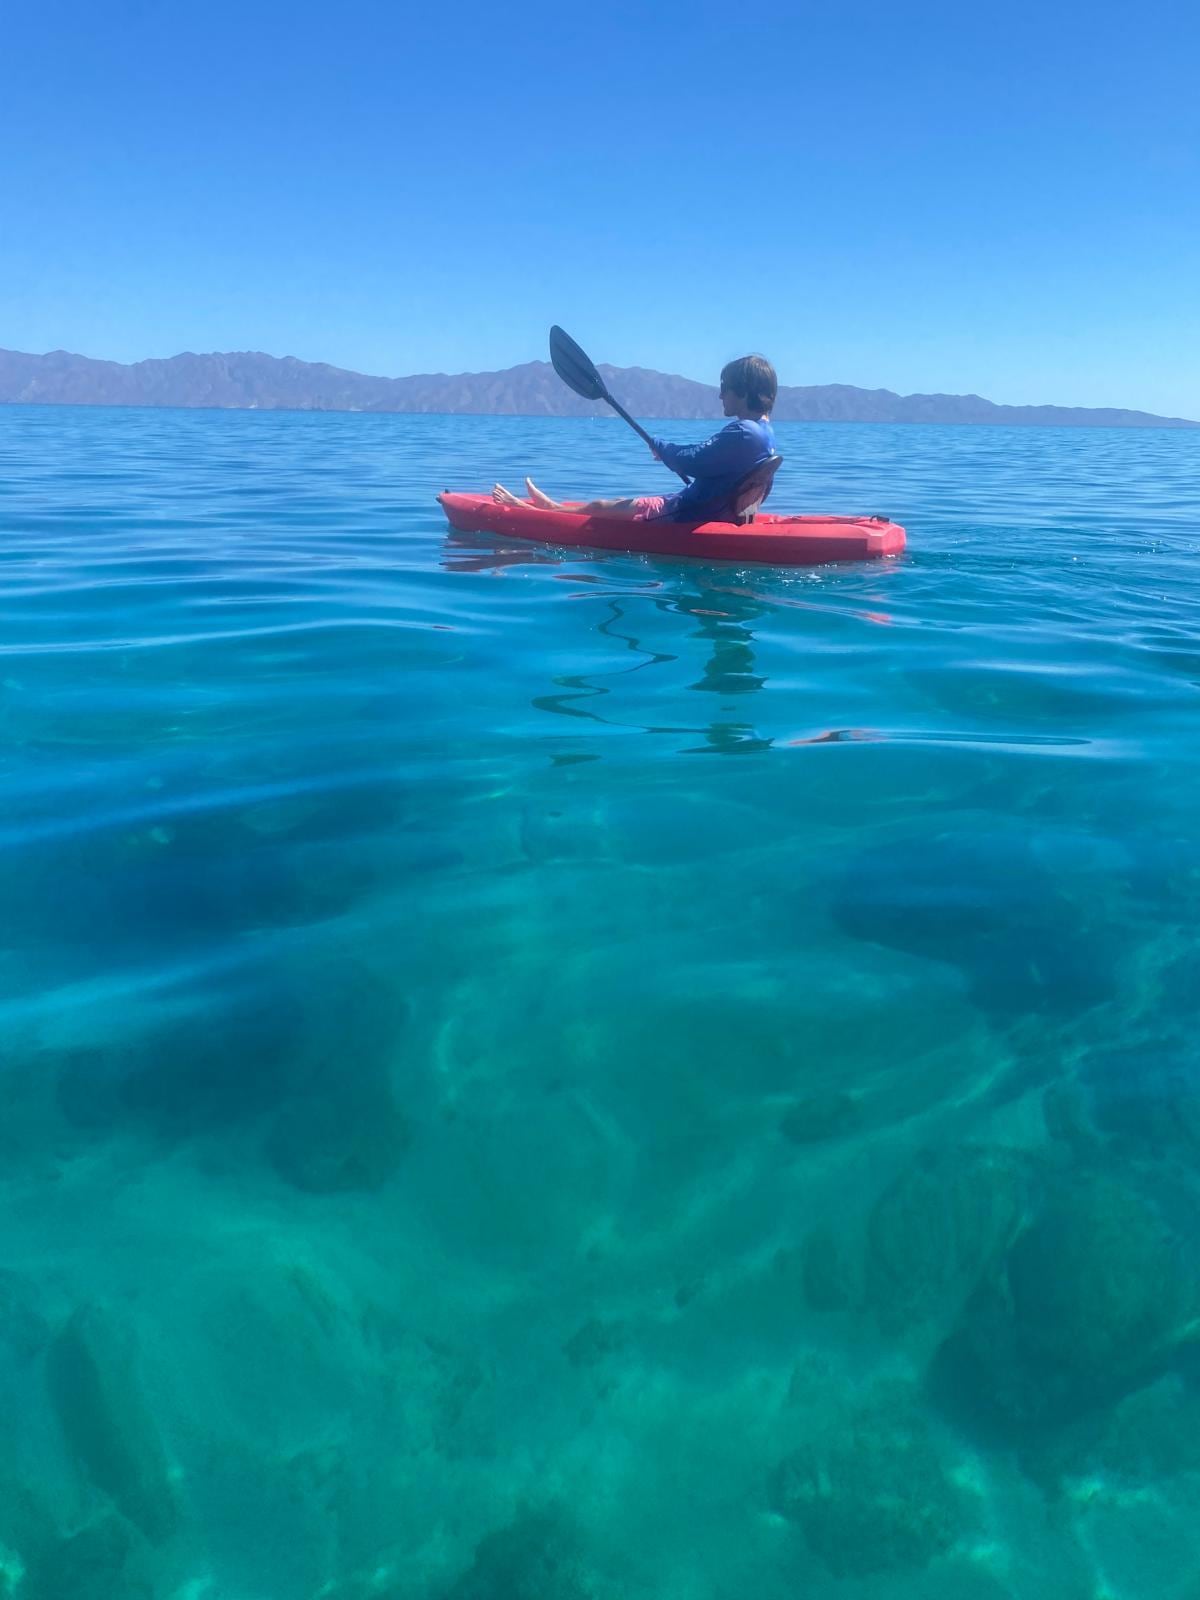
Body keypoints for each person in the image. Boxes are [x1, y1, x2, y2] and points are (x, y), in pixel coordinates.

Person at [492, 354, 777, 522]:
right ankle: (550, 507)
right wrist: (667, 453)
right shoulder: (764, 432)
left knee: (600, 508)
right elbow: (708, 462)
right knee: (615, 503)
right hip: (710, 508)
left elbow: (694, 461)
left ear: (743, 390)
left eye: (725, 388)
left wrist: (663, 448)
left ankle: (541, 513)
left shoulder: (743, 432)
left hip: (687, 513)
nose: (720, 395)